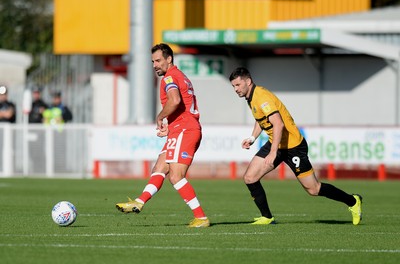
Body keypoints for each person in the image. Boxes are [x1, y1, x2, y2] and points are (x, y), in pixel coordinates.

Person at [229, 67, 362, 225]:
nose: (236, 89)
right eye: (233, 86)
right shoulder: (251, 97)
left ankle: (353, 201)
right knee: (250, 178)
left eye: (238, 85)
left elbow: (278, 124)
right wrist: (252, 137)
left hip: (293, 146)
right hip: (277, 144)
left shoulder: (262, 97)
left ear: (248, 81)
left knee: (313, 189)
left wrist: (272, 153)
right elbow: (261, 119)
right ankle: (267, 217)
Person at [116, 43, 210, 228]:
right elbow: (183, 105)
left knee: (176, 176)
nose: (155, 65)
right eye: (153, 61)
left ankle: (201, 217)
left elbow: (175, 100)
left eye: (158, 60)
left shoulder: (169, 78)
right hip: (181, 128)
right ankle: (139, 202)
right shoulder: (180, 76)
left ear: (169, 59)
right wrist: (171, 125)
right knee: (159, 167)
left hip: (185, 129)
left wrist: (160, 116)